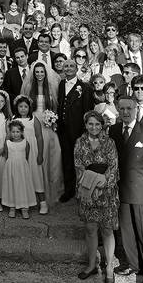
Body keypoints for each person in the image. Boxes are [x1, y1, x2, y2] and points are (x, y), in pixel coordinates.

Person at [109, 97, 143, 283]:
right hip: (121, 193)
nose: (125, 112)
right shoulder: (114, 131)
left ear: (136, 110)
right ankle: (133, 265)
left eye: (129, 108)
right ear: (117, 109)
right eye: (122, 108)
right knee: (127, 233)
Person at [74, 110, 120, 283]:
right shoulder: (80, 143)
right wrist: (89, 184)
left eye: (97, 124)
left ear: (102, 125)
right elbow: (78, 166)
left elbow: (114, 167)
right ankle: (92, 265)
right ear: (86, 125)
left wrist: (102, 182)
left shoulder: (109, 143)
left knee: (107, 230)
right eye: (90, 124)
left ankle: (109, 268)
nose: (94, 127)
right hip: (87, 192)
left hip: (106, 193)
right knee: (90, 229)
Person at [22, 62, 63, 208]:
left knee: (51, 156)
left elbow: (54, 107)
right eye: (37, 72)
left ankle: (48, 191)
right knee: (35, 155)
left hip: (47, 123)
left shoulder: (50, 88)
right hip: (33, 122)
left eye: (41, 72)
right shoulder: (28, 87)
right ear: (33, 74)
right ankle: (32, 192)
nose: (39, 74)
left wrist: (52, 119)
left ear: (45, 73)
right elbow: (23, 105)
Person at [57, 59, 93, 203]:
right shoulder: (61, 85)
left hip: (78, 131)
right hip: (63, 130)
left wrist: (86, 132)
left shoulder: (85, 88)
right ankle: (68, 190)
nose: (69, 68)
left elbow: (88, 112)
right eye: (66, 66)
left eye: (72, 66)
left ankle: (82, 191)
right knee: (66, 160)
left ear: (76, 68)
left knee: (80, 162)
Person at [12, 95, 47, 213]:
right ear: (17, 108)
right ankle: (21, 202)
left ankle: (42, 203)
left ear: (29, 108)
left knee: (36, 175)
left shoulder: (33, 119)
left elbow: (39, 137)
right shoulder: (13, 119)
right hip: (18, 152)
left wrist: (40, 154)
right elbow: (10, 137)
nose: (23, 109)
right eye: (20, 106)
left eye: (25, 107)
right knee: (20, 176)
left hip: (33, 151)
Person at [2, 119, 36, 218]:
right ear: (10, 132)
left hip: (22, 168)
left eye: (18, 132)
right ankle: (12, 207)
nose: (15, 134)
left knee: (22, 186)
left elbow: (27, 156)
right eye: (13, 132)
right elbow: (6, 156)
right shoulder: (8, 143)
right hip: (11, 167)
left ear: (21, 132)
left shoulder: (26, 143)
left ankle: (24, 207)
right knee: (12, 185)